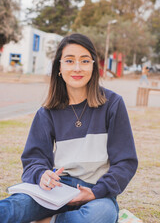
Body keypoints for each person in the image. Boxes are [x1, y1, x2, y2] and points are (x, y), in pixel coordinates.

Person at [0, 33, 138, 223]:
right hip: (56, 190)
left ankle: (49, 221)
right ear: (59, 67)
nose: (77, 68)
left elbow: (126, 161)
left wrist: (96, 191)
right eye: (70, 61)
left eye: (84, 61)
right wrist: (42, 174)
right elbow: (33, 159)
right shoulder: (47, 112)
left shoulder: (112, 104)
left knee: (100, 216)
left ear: (93, 66)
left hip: (96, 192)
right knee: (11, 208)